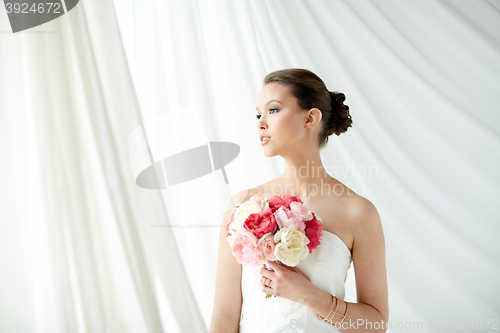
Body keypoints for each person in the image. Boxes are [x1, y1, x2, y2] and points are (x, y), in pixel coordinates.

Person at [210, 68, 388, 332]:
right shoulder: (242, 205)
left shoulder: (358, 212)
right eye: (258, 114)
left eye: (273, 110)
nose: (260, 123)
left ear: (310, 118)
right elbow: (225, 316)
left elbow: (374, 324)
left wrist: (310, 296)